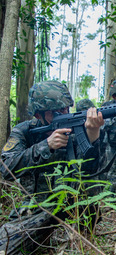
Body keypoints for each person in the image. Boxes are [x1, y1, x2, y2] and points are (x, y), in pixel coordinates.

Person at [0, 81, 104, 254]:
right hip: (36, 207)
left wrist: (93, 136)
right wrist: (45, 146)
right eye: (55, 112)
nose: (63, 115)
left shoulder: (76, 129)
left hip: (72, 202)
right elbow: (5, 169)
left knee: (88, 189)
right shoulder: (24, 131)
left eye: (65, 109)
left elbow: (91, 172)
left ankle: (84, 238)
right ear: (38, 114)